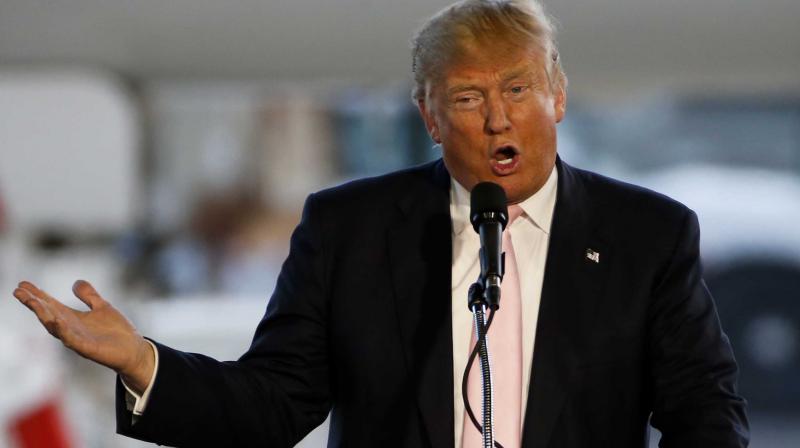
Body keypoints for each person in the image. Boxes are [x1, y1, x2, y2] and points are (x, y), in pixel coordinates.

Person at [11, 1, 749, 447]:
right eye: (467, 98)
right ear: (429, 116)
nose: (498, 118)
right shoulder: (349, 230)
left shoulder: (647, 236)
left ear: (556, 96)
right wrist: (144, 362)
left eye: (518, 89)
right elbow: (272, 405)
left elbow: (704, 412)